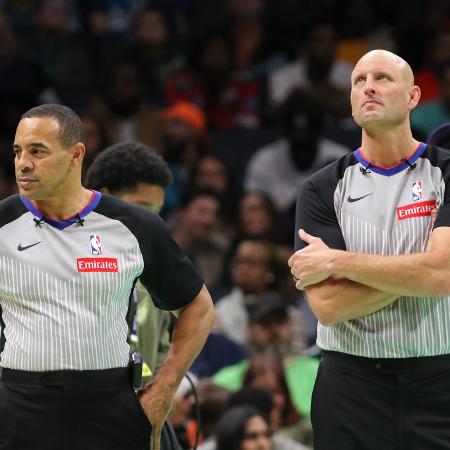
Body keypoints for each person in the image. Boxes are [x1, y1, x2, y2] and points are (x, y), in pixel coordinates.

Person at [0, 103, 215, 450]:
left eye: (38, 152)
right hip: (19, 405)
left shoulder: (134, 225)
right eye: (18, 151)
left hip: (109, 404)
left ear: (75, 155)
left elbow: (198, 308)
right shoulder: (2, 223)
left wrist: (163, 390)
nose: (23, 163)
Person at [288, 49, 450, 449]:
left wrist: (335, 260)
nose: (368, 88)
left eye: (382, 78)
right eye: (359, 81)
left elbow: (444, 275)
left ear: (413, 97)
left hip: (439, 381)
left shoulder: (446, 171)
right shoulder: (321, 188)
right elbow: (330, 306)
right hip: (350, 385)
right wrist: (423, 272)